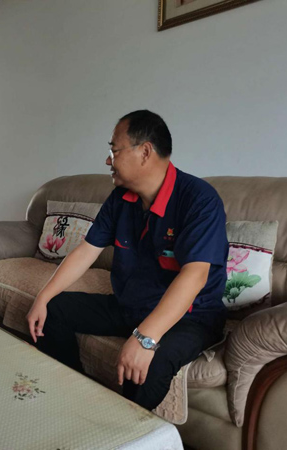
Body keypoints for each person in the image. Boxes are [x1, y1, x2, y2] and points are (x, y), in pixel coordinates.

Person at [26, 110, 227, 410]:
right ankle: (73, 402)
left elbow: (195, 275)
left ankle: (122, 429)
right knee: (53, 311)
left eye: (114, 150)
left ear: (145, 152)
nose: (108, 160)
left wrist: (145, 338)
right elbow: (86, 251)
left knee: (146, 364)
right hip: (131, 305)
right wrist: (43, 297)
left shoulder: (199, 200)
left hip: (189, 317)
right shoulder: (121, 198)